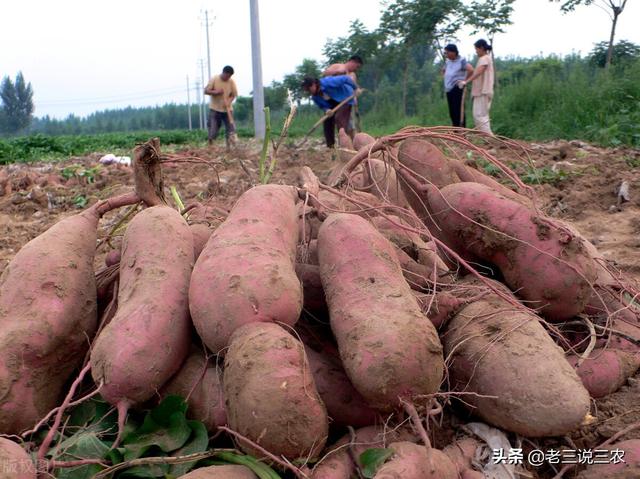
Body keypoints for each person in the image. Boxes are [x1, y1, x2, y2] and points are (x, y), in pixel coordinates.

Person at [302, 75, 358, 148]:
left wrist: (355, 88)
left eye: (309, 90)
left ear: (313, 84)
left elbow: (346, 79)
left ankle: (344, 144)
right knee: (327, 122)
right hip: (332, 105)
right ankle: (331, 147)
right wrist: (327, 110)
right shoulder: (315, 97)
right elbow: (322, 106)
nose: (309, 92)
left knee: (339, 118)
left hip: (345, 99)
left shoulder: (327, 82)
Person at [458, 39, 494, 134]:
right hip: (481, 91)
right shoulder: (484, 58)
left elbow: (479, 71)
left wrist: (466, 81)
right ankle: (488, 139)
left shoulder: (485, 58)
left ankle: (490, 138)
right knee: (481, 116)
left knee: (479, 116)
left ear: (481, 48)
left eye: (476, 49)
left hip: (483, 91)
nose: (476, 51)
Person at [323, 55, 364, 132]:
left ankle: (350, 141)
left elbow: (354, 89)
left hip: (347, 102)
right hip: (333, 100)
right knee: (332, 121)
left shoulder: (352, 75)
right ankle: (332, 143)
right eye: (357, 67)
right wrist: (337, 72)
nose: (356, 69)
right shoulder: (338, 66)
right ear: (352, 62)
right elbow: (325, 73)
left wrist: (355, 101)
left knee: (348, 124)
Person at [204, 65, 238, 147]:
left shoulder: (231, 82)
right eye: (227, 76)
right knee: (213, 131)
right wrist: (216, 92)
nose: (228, 78)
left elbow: (234, 94)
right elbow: (206, 91)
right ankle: (210, 145)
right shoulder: (214, 79)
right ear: (223, 73)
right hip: (215, 109)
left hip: (227, 110)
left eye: (230, 76)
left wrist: (229, 102)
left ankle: (229, 148)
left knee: (231, 130)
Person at [441, 44, 473, 127]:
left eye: (447, 52)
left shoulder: (461, 61)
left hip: (457, 88)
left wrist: (464, 81)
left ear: (453, 52)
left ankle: (461, 130)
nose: (446, 54)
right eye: (445, 53)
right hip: (449, 89)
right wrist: (445, 78)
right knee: (452, 112)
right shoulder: (448, 62)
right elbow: (443, 70)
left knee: (458, 111)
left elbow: (471, 70)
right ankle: (455, 131)